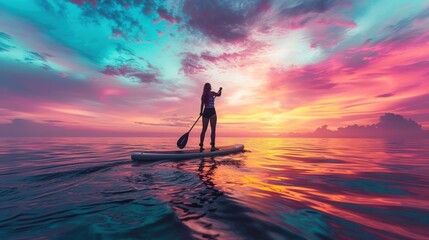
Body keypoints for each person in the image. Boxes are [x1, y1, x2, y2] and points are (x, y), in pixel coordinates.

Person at [199, 83, 222, 152]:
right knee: (213, 130)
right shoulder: (212, 93)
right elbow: (219, 94)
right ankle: (213, 146)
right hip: (212, 112)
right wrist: (220, 90)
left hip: (205, 112)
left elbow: (202, 105)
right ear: (210, 87)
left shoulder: (203, 96)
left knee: (204, 130)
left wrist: (201, 112)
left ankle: (201, 146)